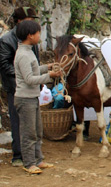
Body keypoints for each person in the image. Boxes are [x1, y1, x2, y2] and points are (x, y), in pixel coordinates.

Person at [14, 20, 61, 174]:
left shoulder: (28, 52)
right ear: (30, 35)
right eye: (38, 33)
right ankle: (29, 163)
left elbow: (33, 71)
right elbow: (29, 79)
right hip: (25, 98)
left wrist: (45, 67)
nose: (39, 35)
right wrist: (49, 75)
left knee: (37, 130)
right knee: (29, 132)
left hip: (32, 97)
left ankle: (38, 159)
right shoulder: (23, 55)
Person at [0, 7, 40, 167]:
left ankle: (33, 154)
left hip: (31, 86)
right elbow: (4, 64)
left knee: (32, 123)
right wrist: (24, 76)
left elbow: (35, 61)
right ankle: (18, 154)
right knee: (17, 120)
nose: (32, 23)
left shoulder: (32, 40)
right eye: (29, 20)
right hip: (15, 87)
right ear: (19, 21)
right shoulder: (7, 40)